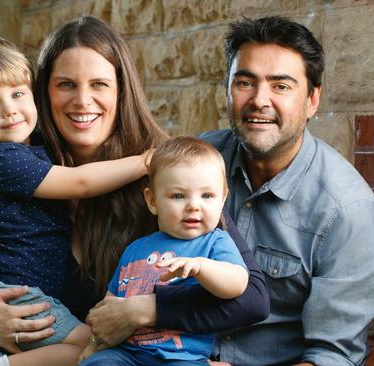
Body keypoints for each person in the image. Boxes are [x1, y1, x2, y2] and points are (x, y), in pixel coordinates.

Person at [0, 15, 269, 365]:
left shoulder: (165, 173)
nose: (83, 100)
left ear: (120, 91)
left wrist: (147, 310)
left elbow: (252, 299)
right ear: (43, 92)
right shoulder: (23, 171)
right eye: (66, 84)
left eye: (99, 84)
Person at [0, 34, 154, 366]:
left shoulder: (31, 152)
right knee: (96, 345)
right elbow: (80, 182)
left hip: (27, 295)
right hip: (20, 296)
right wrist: (145, 162)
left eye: (18, 94)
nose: (10, 111)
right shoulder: (3, 158)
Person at [196, 16, 374, 365]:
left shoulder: (347, 210)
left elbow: (332, 356)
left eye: (281, 86)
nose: (259, 100)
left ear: (312, 100)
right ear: (227, 89)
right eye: (245, 82)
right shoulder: (195, 164)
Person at [80, 136, 250, 365]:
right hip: (129, 355)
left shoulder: (215, 242)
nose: (193, 205)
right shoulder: (136, 248)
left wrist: (201, 267)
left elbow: (237, 282)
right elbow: (111, 305)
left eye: (207, 195)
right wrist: (95, 344)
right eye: (178, 195)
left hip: (181, 357)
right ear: (152, 201)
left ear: (222, 199)